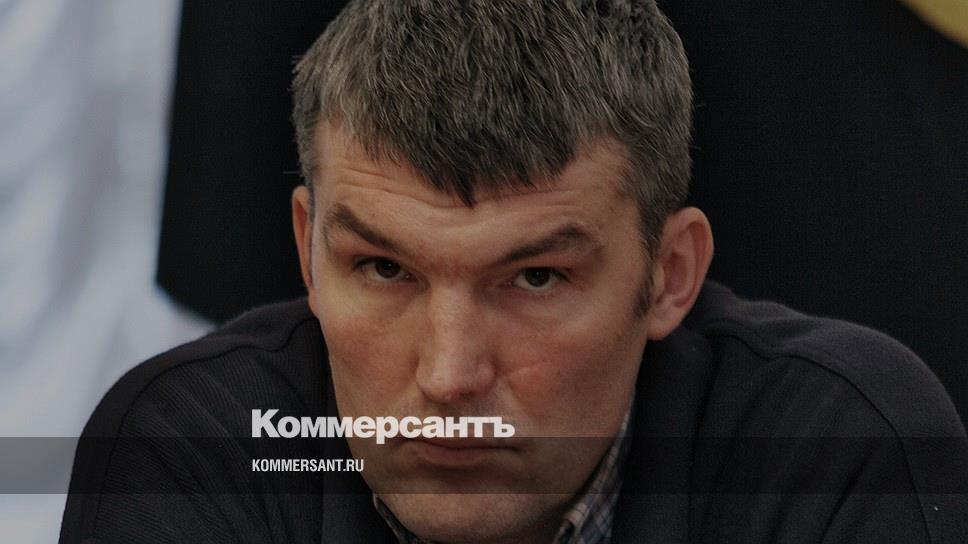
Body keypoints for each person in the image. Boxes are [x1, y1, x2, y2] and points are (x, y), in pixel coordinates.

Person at [60, 1, 968, 543]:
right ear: (306, 249)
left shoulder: (835, 448)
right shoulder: (194, 451)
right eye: (384, 268)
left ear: (670, 273)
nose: (450, 375)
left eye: (534, 279)